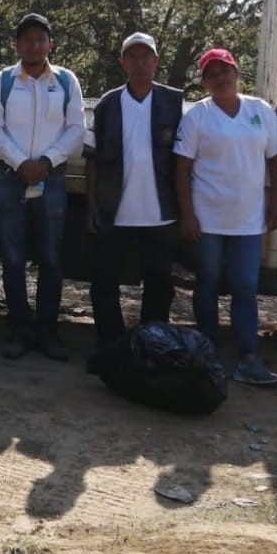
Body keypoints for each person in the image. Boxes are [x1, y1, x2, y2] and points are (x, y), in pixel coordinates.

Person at [173, 48, 277, 387]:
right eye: (212, 74)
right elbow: (182, 168)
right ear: (205, 82)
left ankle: (249, 359)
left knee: (245, 286)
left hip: (249, 221)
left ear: (238, 74)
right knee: (207, 283)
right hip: (208, 220)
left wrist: (276, 204)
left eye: (226, 71)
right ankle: (208, 355)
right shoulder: (198, 116)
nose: (221, 78)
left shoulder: (260, 111)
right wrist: (187, 214)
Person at [0, 13, 86, 361]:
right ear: (17, 45)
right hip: (10, 180)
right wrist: (21, 163)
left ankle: (46, 332)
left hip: (51, 179)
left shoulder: (66, 80)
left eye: (40, 39)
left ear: (50, 44)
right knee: (12, 259)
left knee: (51, 258)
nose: (33, 45)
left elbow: (76, 129)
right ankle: (18, 330)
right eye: (26, 39)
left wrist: (45, 162)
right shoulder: (3, 81)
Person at [85, 33, 184, 350]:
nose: (140, 63)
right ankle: (110, 347)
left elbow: (187, 161)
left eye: (146, 57)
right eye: (133, 57)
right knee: (104, 283)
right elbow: (92, 160)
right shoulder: (107, 105)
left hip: (161, 214)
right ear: (123, 63)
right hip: (116, 212)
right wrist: (91, 205)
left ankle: (153, 347)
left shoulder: (175, 103)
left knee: (158, 285)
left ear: (155, 61)